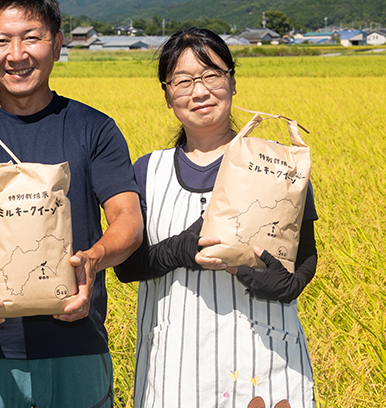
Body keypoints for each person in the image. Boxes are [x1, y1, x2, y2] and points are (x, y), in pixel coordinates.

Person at [0, 0, 144, 408]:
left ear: (57, 44)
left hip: (78, 345)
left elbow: (128, 219)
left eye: (32, 38)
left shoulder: (93, 128)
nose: (17, 55)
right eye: (1, 40)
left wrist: (93, 260)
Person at [114, 27, 317, 407]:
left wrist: (292, 285)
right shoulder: (148, 171)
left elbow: (305, 252)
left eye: (212, 75)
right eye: (183, 80)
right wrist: (178, 250)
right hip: (174, 366)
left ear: (233, 82)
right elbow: (126, 268)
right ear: (167, 94)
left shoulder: (276, 163)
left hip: (264, 358)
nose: (200, 91)